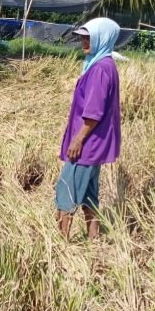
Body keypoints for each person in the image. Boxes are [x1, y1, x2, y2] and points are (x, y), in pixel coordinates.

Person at [55, 17, 122, 240]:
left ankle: (61, 244)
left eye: (88, 38)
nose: (84, 42)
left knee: (67, 191)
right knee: (89, 193)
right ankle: (94, 239)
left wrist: (78, 140)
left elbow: (93, 113)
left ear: (102, 38)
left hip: (87, 144)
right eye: (83, 38)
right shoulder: (105, 64)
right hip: (95, 144)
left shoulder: (99, 70)